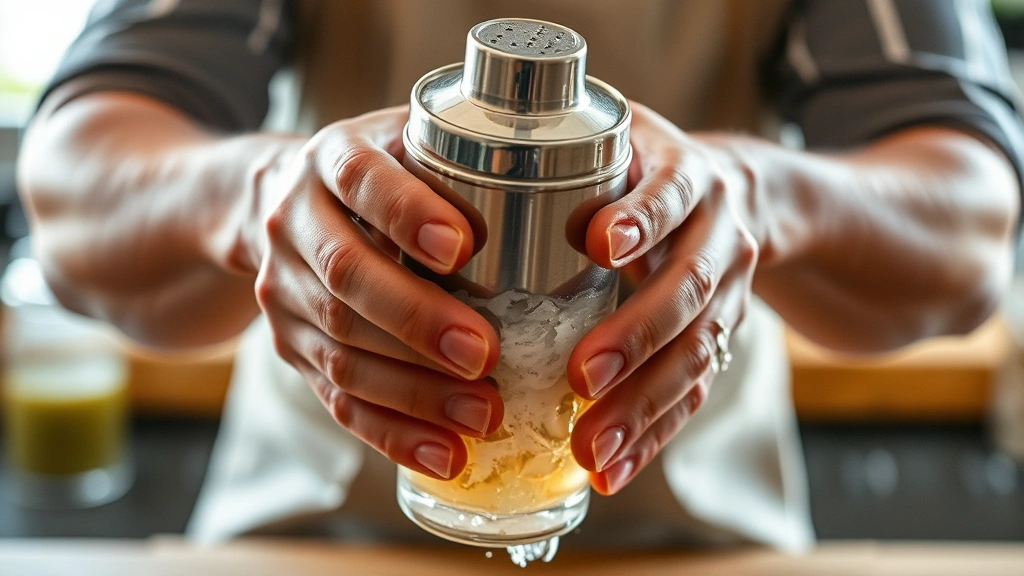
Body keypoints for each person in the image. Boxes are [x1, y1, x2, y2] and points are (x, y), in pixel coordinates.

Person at [16, 0, 1024, 550]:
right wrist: (257, 198)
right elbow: (74, 188)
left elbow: (970, 222)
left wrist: (754, 197)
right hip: (317, 537)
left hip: (696, 547)